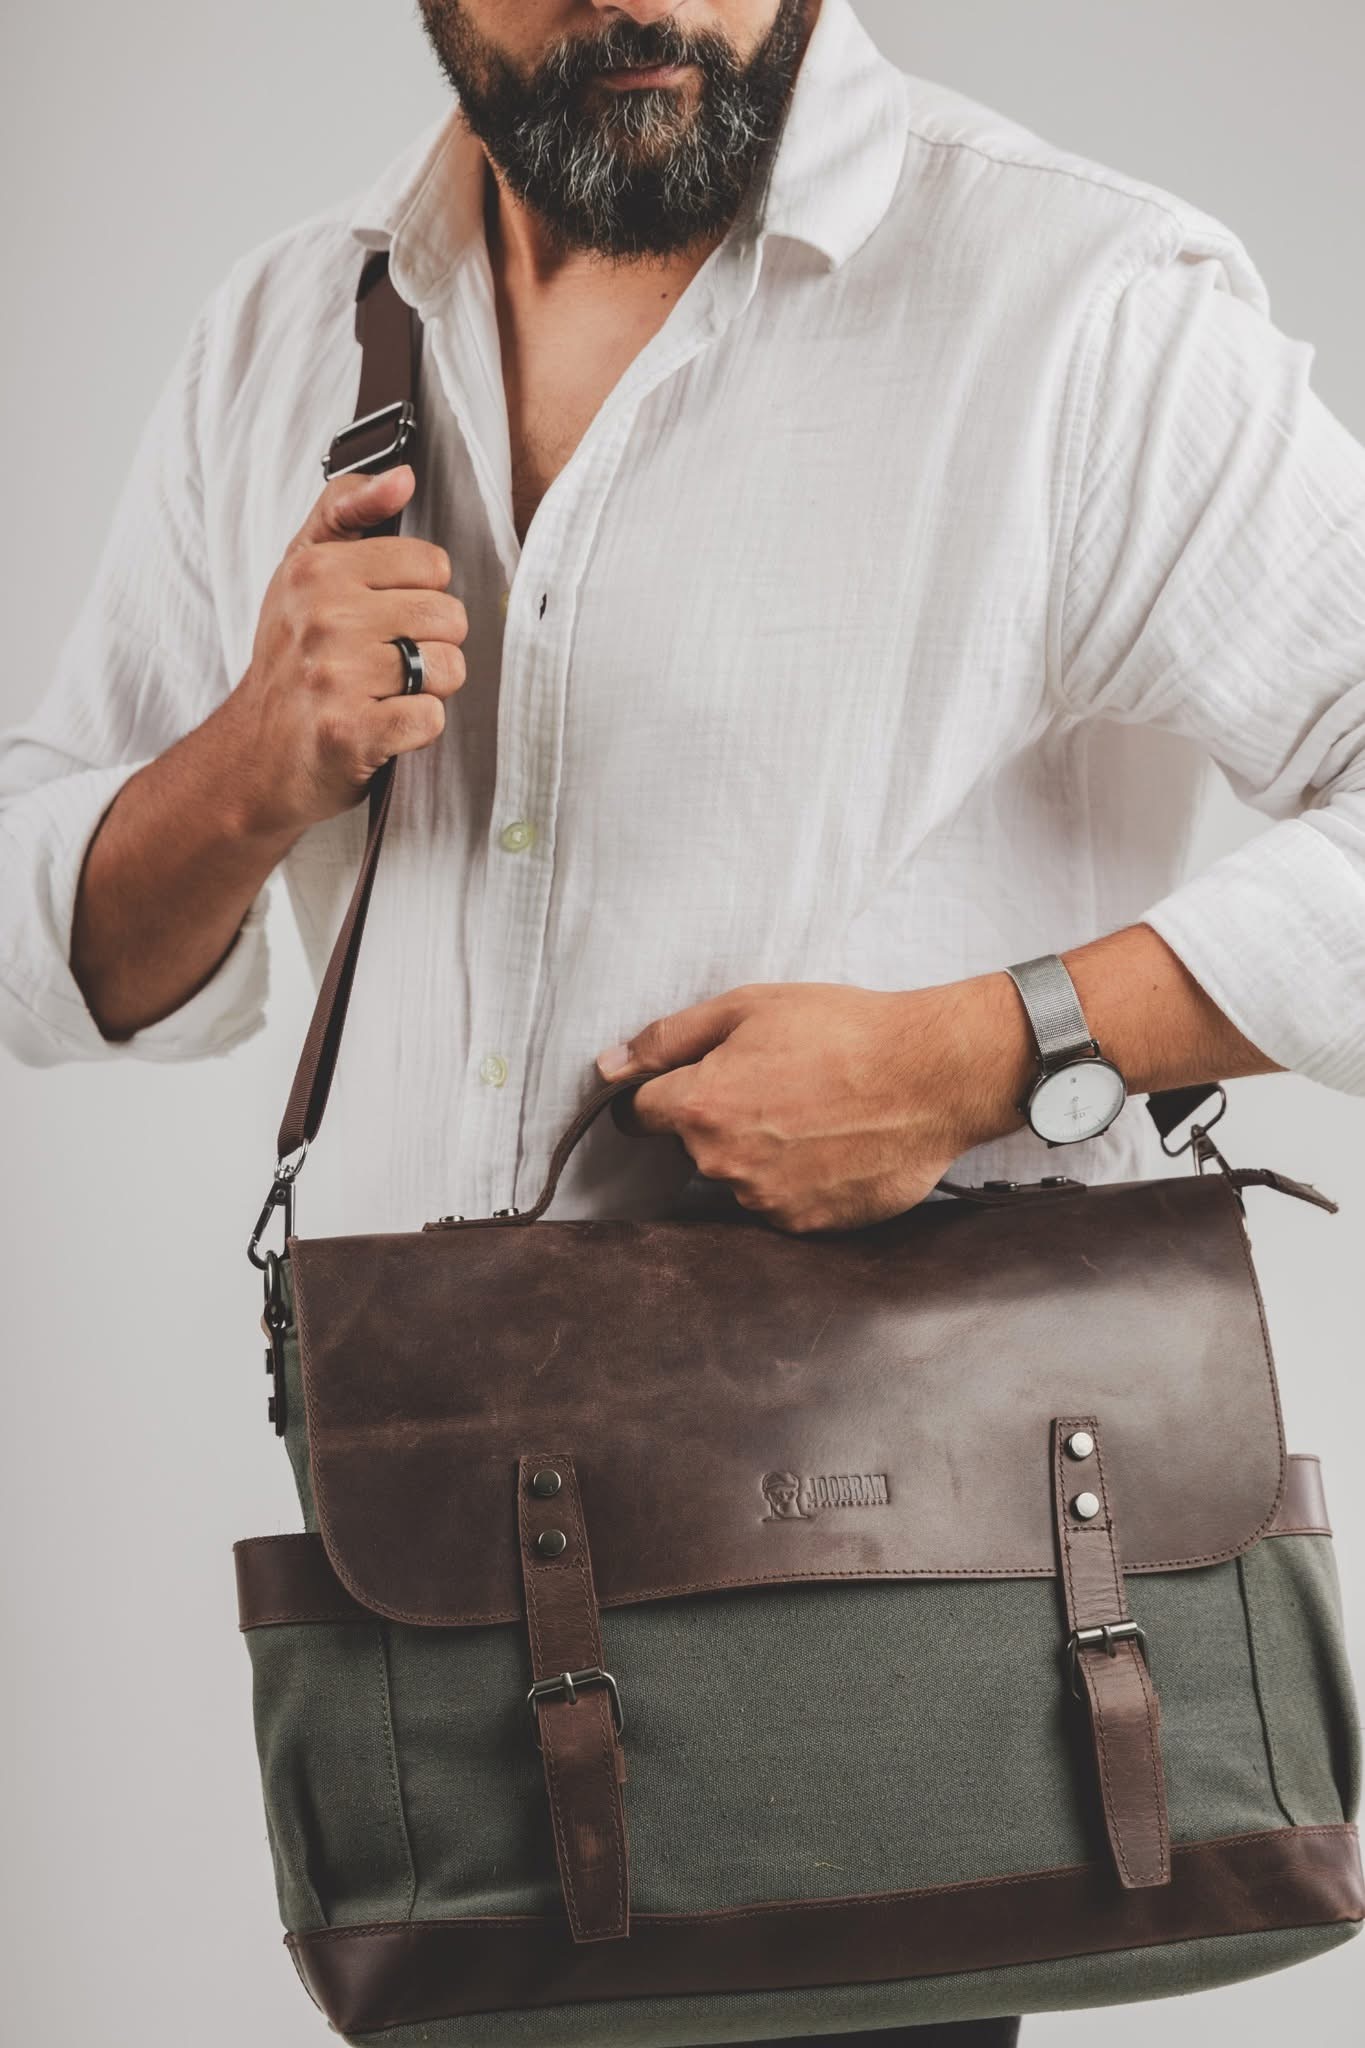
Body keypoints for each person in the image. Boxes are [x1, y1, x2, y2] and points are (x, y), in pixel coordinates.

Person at [4, 1, 1364, 2040]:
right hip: (453, 1652)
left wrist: (980, 1052)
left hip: (922, 1637)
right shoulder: (284, 333)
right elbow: (46, 959)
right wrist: (246, 765)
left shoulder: (1073, 301)